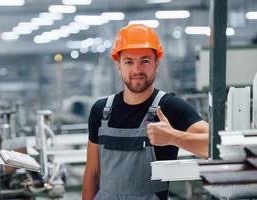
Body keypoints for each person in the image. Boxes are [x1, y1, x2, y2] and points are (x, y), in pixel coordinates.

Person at [82, 24, 209, 200]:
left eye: (145, 60)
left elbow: (214, 148)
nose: (137, 70)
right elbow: (92, 173)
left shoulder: (170, 107)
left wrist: (173, 137)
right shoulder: (100, 111)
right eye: (129, 62)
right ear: (118, 65)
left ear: (156, 63)